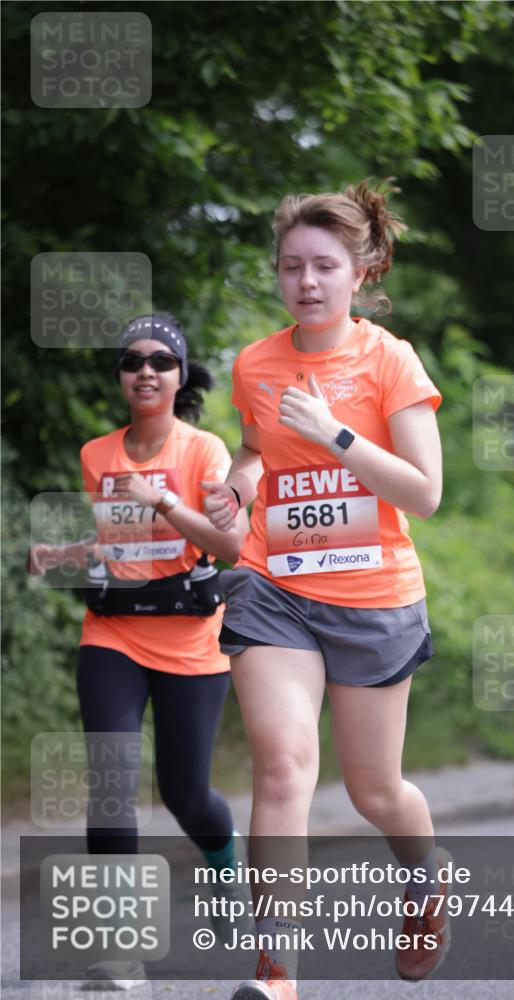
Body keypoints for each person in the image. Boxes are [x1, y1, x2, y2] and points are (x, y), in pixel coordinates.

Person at [202, 182, 451, 1000]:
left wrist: (336, 435)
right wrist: (236, 490)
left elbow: (423, 493)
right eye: (289, 268)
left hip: (374, 595)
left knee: (375, 790)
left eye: (322, 266)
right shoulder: (256, 362)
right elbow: (250, 452)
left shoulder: (388, 359)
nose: (305, 282)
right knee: (281, 770)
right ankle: (276, 974)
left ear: (360, 270)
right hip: (276, 586)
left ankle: (425, 876)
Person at [28, 312, 249, 989]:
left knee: (187, 793)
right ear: (121, 378)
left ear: (180, 376)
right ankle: (120, 955)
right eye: (132, 361)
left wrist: (161, 498)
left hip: (188, 639)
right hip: (113, 635)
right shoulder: (98, 454)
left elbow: (226, 548)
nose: (145, 370)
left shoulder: (205, 452)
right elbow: (121, 541)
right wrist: (66, 553)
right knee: (112, 782)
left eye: (161, 360)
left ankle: (224, 868)